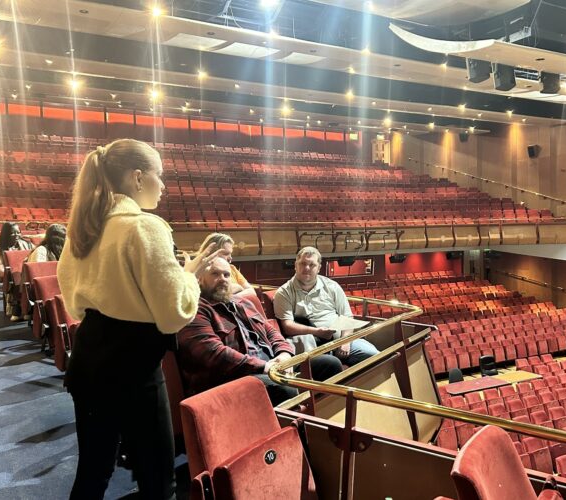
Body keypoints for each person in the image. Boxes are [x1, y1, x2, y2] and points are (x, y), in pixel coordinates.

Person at [57, 139, 218, 500]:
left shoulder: (83, 228)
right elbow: (172, 314)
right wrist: (189, 276)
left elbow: (74, 302)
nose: (164, 186)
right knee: (157, 478)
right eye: (160, 176)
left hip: (88, 360)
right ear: (137, 177)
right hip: (134, 368)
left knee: (94, 471)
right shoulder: (145, 227)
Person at [177, 257, 342, 405]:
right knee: (284, 389)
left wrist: (284, 355)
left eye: (226, 275)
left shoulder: (242, 303)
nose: (223, 279)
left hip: (270, 366)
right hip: (232, 377)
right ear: (200, 279)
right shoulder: (195, 309)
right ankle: (300, 433)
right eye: (215, 274)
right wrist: (265, 367)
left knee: (329, 364)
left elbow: (272, 332)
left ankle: (321, 425)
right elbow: (213, 353)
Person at [273, 246, 379, 366]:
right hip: (313, 345)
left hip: (341, 339)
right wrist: (317, 331)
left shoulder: (332, 286)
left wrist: (344, 342)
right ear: (295, 265)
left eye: (312, 264)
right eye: (302, 263)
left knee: (374, 356)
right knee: (330, 364)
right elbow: (287, 326)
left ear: (319, 268)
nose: (306, 268)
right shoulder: (284, 292)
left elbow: (347, 317)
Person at [0, 222, 34, 321]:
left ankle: (28, 309)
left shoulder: (28, 245)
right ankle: (18, 309)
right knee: (17, 279)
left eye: (18, 232)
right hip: (12, 277)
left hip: (26, 275)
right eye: (13, 233)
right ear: (6, 234)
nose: (17, 235)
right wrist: (11, 273)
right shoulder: (0, 251)